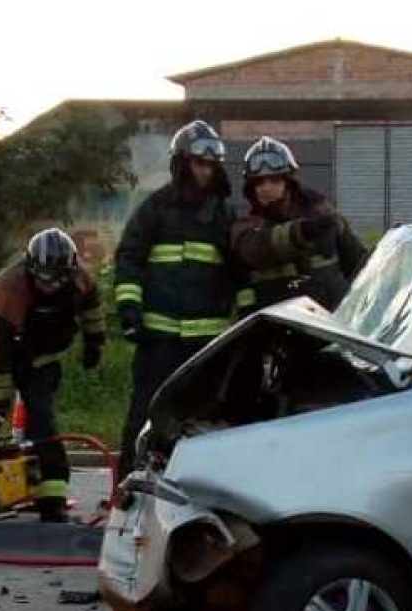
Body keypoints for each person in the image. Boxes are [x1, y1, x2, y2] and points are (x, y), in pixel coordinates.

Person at [0, 228, 105, 522]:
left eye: (59, 278)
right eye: (44, 278)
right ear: (31, 268)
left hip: (38, 360)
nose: (51, 286)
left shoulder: (80, 279)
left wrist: (95, 342)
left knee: (42, 423)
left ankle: (52, 499)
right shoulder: (9, 288)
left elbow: (92, 308)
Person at [114, 120, 236, 477]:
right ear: (182, 164)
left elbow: (238, 271)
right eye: (200, 163)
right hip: (159, 340)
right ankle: (128, 489)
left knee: (202, 422)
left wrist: (246, 312)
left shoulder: (224, 214)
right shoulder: (155, 208)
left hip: (206, 344)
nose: (206, 171)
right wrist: (129, 307)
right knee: (144, 416)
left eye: (212, 165)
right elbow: (130, 256)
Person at [231, 136, 366, 315]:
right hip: (278, 332)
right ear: (251, 187)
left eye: (274, 180)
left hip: (331, 326)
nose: (266, 188)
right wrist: (301, 232)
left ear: (288, 182)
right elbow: (256, 249)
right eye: (259, 182)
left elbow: (360, 264)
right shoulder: (247, 227)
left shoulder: (322, 214)